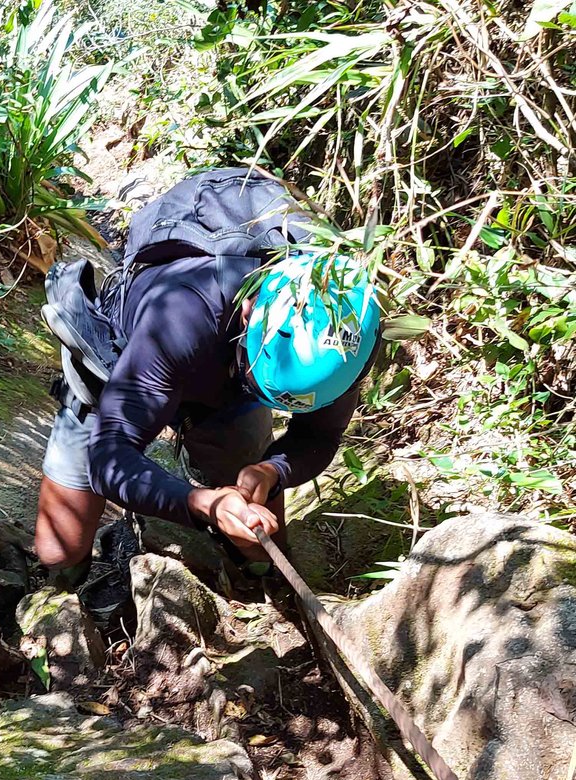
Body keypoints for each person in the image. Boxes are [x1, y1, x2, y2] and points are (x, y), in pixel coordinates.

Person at [35, 167, 382, 587]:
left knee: (261, 540)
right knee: (59, 550)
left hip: (227, 380)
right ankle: (63, 587)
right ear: (251, 313)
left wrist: (273, 471)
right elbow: (110, 456)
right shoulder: (181, 315)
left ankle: (256, 578)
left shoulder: (348, 337)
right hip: (126, 358)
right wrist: (202, 503)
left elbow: (320, 436)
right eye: (261, 379)